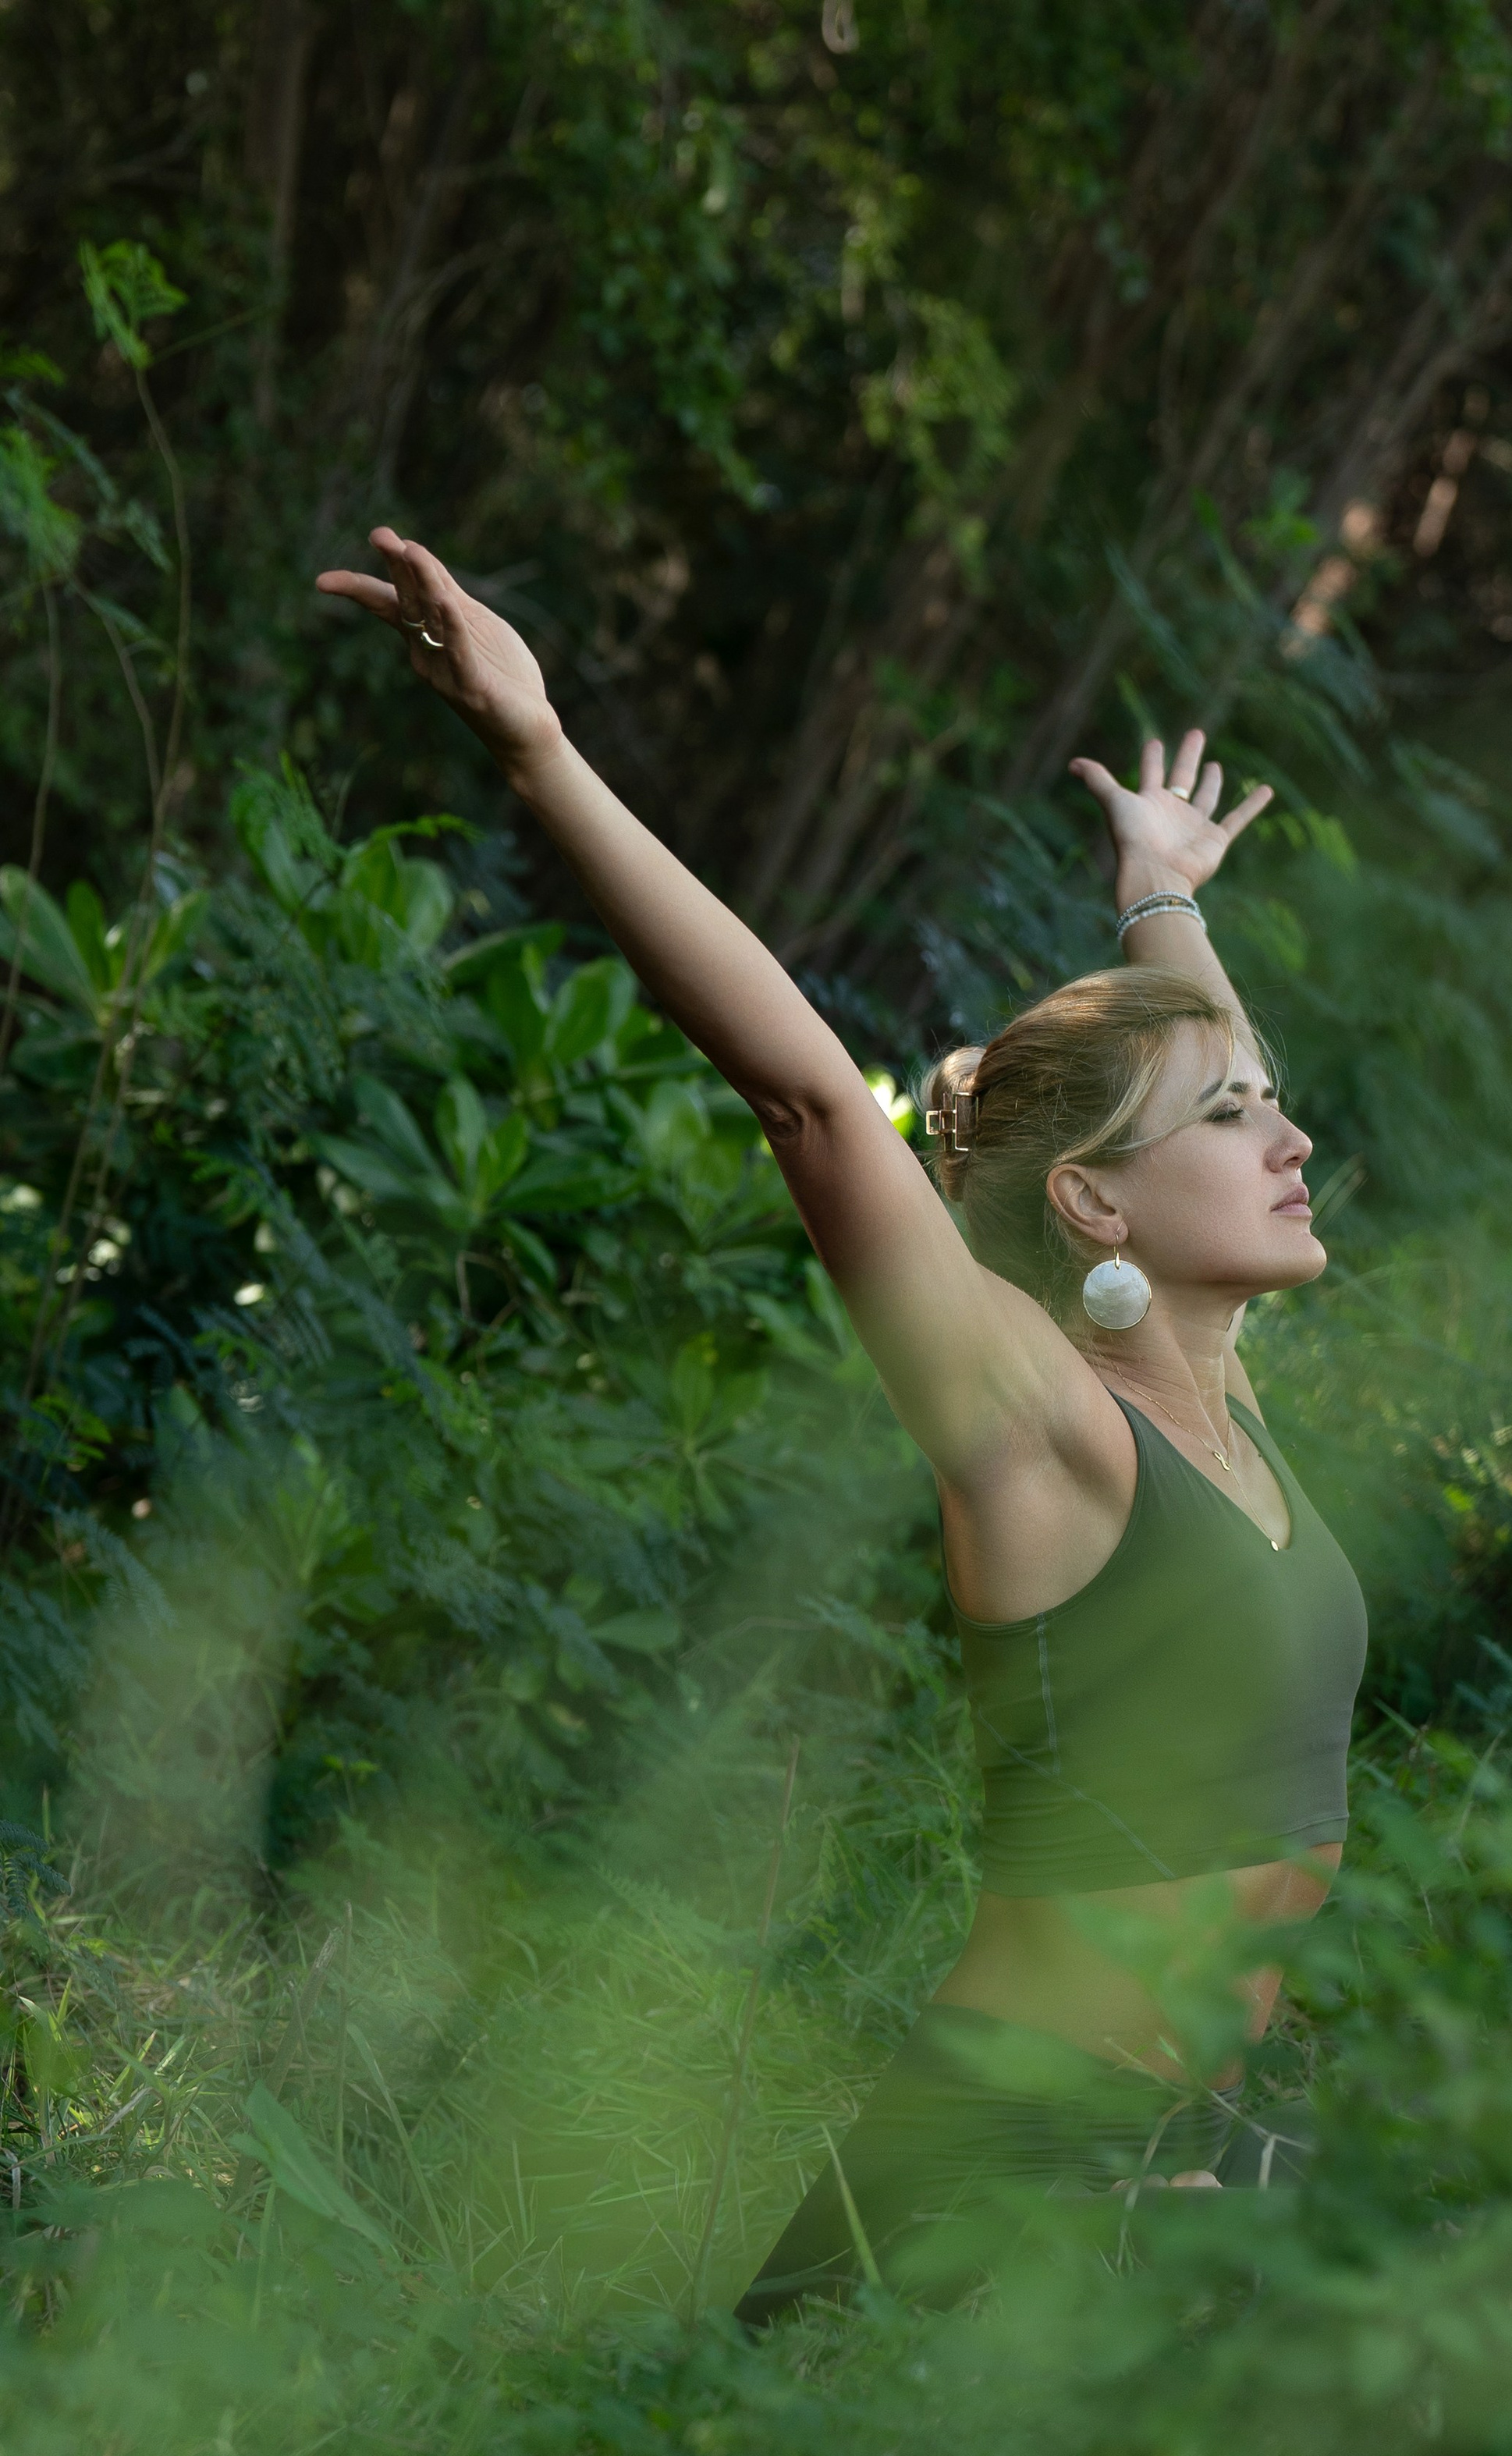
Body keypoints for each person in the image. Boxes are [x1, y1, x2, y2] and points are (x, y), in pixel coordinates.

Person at [316, 529, 1368, 2322]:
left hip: (1174, 2158)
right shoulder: (1048, 1424)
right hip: (1003, 2179)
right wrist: (538, 750)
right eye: (1232, 1121)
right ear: (1098, 1208)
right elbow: (808, 1095)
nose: (1290, 1141)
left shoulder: (1219, 1408)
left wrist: (1158, 898)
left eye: (1272, 1108)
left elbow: (1214, 1069)